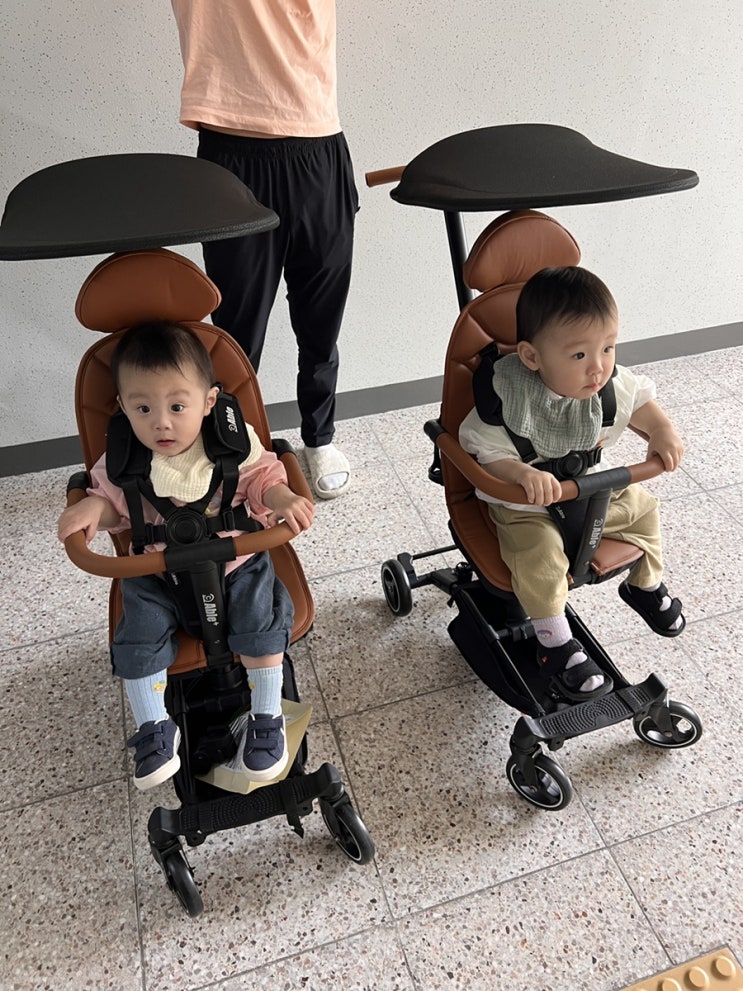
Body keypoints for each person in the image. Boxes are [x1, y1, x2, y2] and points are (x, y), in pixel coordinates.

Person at [57, 321, 315, 790]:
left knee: (260, 614)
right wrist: (92, 510)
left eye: (177, 406)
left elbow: (263, 476)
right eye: (143, 408)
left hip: (236, 560)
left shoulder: (231, 442)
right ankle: (154, 726)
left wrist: (280, 498)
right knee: (139, 628)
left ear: (209, 401)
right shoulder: (125, 457)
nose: (161, 422)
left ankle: (265, 715)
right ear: (122, 407)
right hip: (156, 571)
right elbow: (112, 501)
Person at [460, 266, 685, 702]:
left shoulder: (606, 385)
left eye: (608, 348)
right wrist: (522, 473)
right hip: (526, 506)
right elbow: (482, 447)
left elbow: (639, 401)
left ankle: (643, 585)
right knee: (539, 556)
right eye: (580, 355)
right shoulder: (507, 396)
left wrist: (661, 430)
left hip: (590, 492)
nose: (598, 367)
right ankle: (555, 644)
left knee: (645, 509)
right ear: (531, 357)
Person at [169, 0, 358, 500]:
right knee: (236, 331)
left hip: (317, 145)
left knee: (321, 321)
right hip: (232, 152)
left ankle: (320, 437)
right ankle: (234, 447)